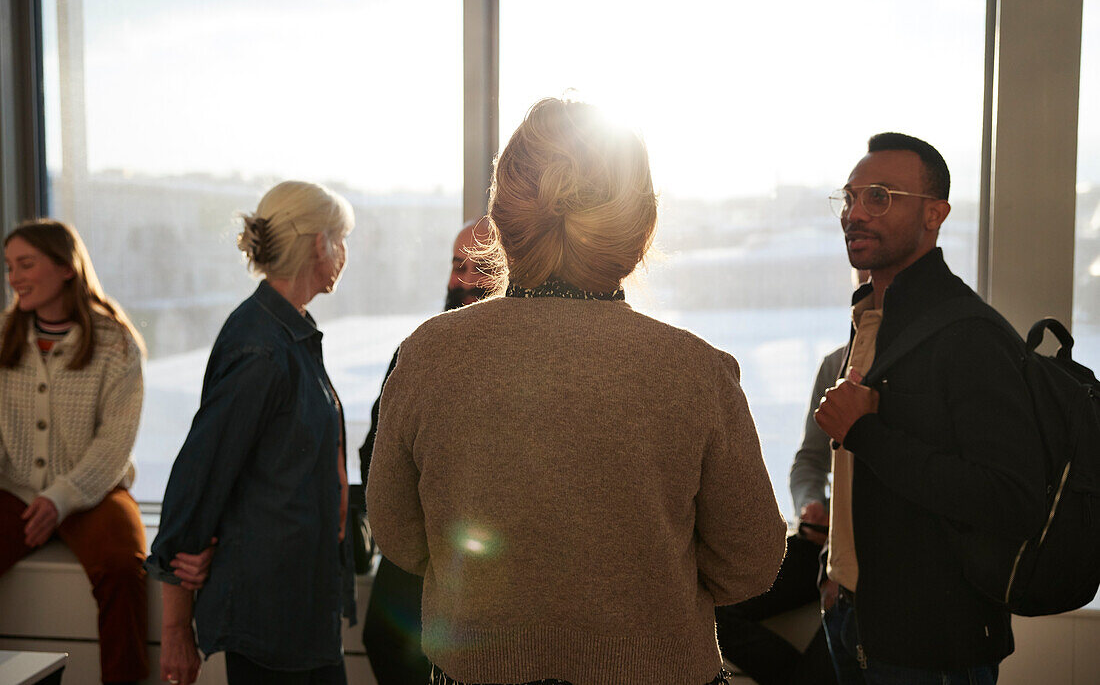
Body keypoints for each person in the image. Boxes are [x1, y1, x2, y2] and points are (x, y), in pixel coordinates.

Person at [367, 97, 786, 685]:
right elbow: (750, 563)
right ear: (640, 230)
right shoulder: (696, 371)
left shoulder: (429, 355)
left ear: (503, 219)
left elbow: (400, 538)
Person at [813, 133, 1046, 684]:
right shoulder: (871, 316)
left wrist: (866, 433)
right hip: (852, 613)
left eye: (878, 196)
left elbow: (1013, 499)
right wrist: (834, 580)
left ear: (934, 214)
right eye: (848, 198)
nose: (854, 214)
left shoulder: (970, 333)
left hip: (931, 643)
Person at [145, 181, 357, 685]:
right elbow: (198, 477)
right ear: (318, 244)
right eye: (341, 239)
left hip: (303, 608)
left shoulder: (291, 331)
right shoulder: (260, 348)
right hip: (270, 615)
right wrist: (175, 629)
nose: (345, 253)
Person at [0, 219, 148, 685]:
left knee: (125, 570)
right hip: (15, 489)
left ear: (66, 267)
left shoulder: (116, 343)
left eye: (26, 264)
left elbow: (115, 442)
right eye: (9, 267)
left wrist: (61, 498)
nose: (14, 277)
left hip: (95, 490)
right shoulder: (2, 336)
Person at [360, 217, 493, 685]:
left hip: (494, 588)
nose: (466, 280)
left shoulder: (531, 365)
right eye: (458, 265)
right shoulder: (415, 353)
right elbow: (372, 455)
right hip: (415, 570)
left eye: (483, 266)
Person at [715, 345, 845, 685]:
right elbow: (809, 461)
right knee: (714, 601)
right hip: (826, 542)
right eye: (860, 287)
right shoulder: (836, 363)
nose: (866, 290)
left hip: (875, 563)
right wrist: (811, 504)